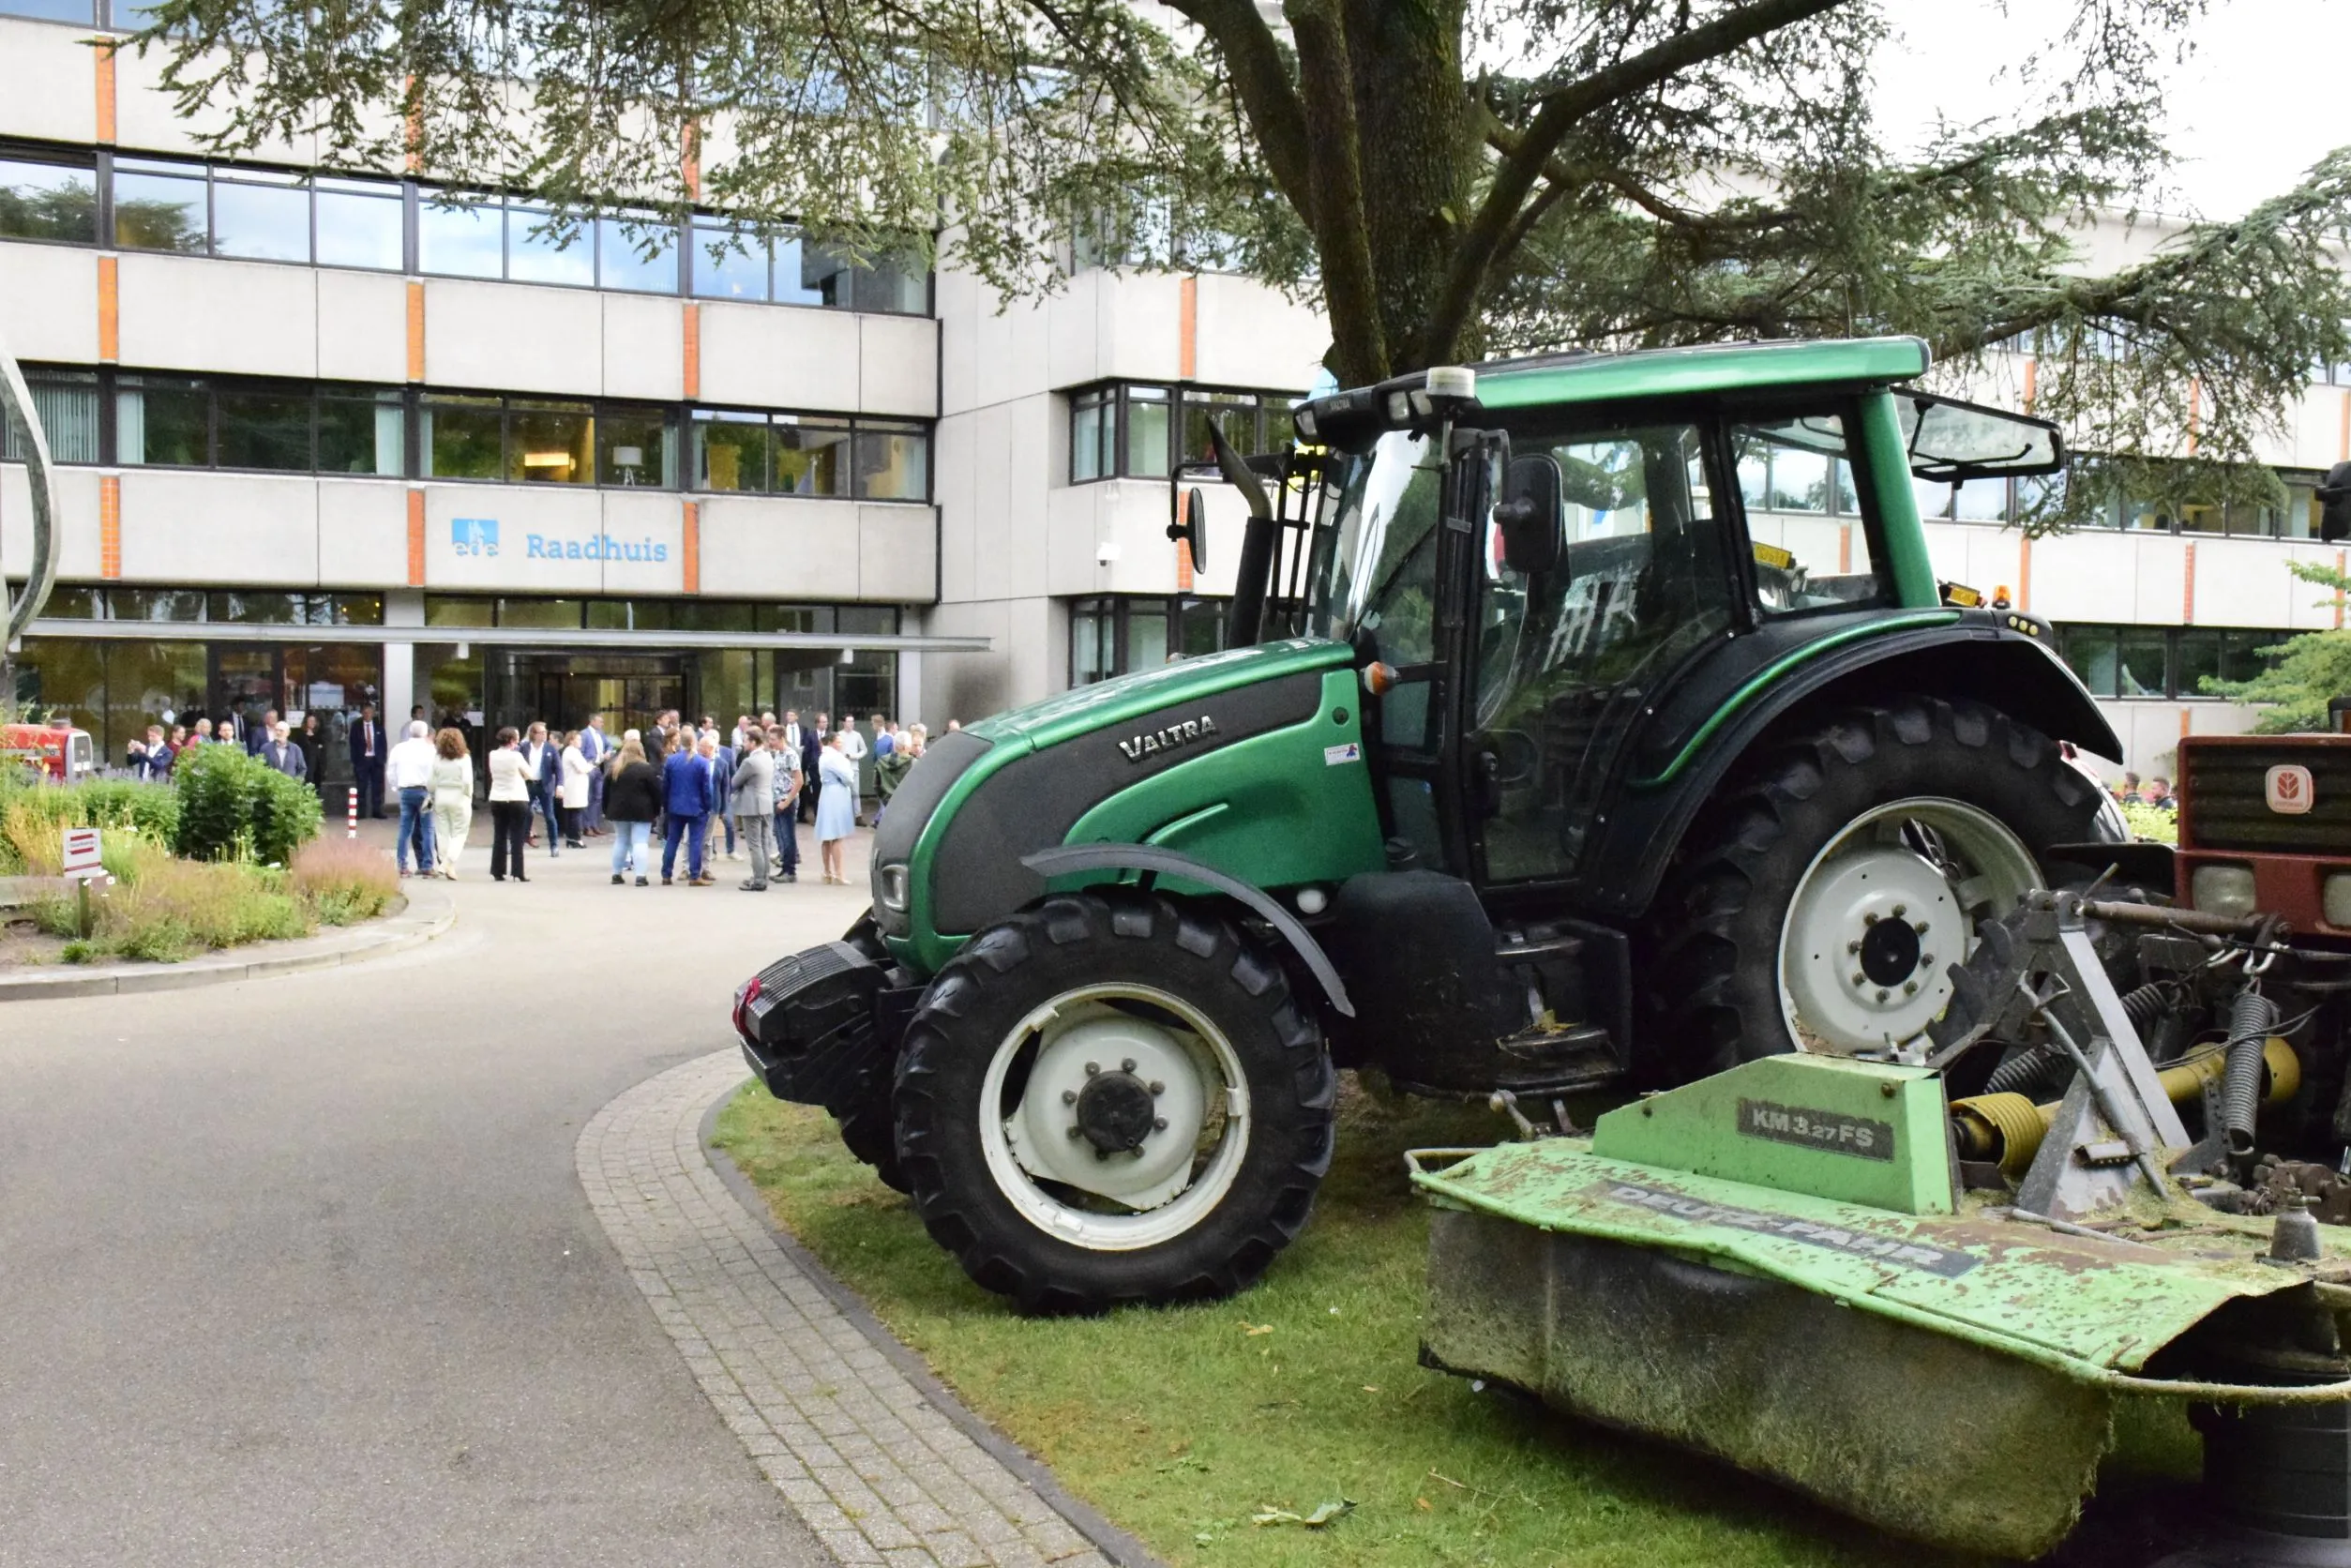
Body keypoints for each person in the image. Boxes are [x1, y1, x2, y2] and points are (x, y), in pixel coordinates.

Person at [660, 730, 717, 886]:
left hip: (675, 806)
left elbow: (665, 786)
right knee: (696, 841)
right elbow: (707, 788)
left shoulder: (671, 761)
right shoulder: (702, 762)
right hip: (696, 807)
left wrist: (666, 805)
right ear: (694, 743)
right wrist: (708, 805)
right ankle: (694, 875)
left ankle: (666, 874)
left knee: (672, 840)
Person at [603, 738, 660, 885]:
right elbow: (656, 792)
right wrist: (657, 809)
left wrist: (606, 810)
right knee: (640, 842)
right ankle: (640, 876)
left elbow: (605, 793)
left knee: (621, 840)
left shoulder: (614, 769)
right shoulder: (646, 769)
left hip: (618, 810)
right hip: (642, 810)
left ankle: (616, 874)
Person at [385, 719, 439, 877]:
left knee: (405, 829)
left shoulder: (399, 749)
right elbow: (437, 772)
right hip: (426, 793)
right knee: (428, 828)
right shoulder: (431, 750)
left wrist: (396, 787)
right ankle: (427, 866)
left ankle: (402, 865)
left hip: (406, 792)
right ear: (425, 733)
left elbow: (391, 771)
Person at [731, 730, 777, 890]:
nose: (744, 744)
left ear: (753, 742)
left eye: (745, 741)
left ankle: (758, 880)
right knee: (765, 842)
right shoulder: (767, 757)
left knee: (754, 844)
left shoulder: (749, 762)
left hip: (752, 805)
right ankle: (763, 875)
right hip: (766, 803)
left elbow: (735, 782)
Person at [486, 727, 532, 882]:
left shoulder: (492, 755)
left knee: (499, 835)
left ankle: (497, 870)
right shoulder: (516, 756)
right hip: (516, 796)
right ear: (512, 741)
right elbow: (530, 774)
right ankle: (518, 871)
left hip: (497, 797)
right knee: (517, 836)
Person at [429, 727, 473, 878]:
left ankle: (448, 865)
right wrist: (468, 795)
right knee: (459, 833)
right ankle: (447, 863)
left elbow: (430, 783)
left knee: (442, 833)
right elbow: (467, 782)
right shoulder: (465, 759)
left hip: (441, 796)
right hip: (459, 797)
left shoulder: (437, 759)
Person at [816, 731, 858, 884]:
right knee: (837, 835)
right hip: (837, 794)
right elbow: (847, 777)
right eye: (839, 741)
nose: (841, 744)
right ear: (832, 742)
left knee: (827, 836)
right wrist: (850, 777)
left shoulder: (824, 756)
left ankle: (827, 872)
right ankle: (839, 874)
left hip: (827, 792)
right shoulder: (834, 757)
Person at [519, 722, 561, 855]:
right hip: (529, 784)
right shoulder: (524, 748)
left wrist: (560, 785)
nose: (545, 735)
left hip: (545, 785)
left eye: (545, 732)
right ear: (533, 734)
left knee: (549, 816)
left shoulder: (550, 748)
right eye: (541, 732)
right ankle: (518, 843)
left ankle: (554, 846)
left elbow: (558, 768)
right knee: (523, 814)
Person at [767, 723, 802, 884]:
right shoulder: (778, 754)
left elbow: (799, 780)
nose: (770, 742)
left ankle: (790, 870)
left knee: (788, 836)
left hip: (785, 801)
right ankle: (784, 868)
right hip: (777, 799)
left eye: (773, 739)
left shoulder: (790, 754)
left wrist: (787, 801)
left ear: (782, 738)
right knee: (781, 836)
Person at [350, 703, 386, 818]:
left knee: (377, 787)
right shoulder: (356, 726)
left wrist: (383, 758)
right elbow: (353, 744)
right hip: (362, 761)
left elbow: (383, 744)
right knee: (361, 787)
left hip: (376, 760)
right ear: (362, 713)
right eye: (365, 713)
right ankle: (361, 812)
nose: (367, 715)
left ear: (373, 713)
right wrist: (355, 761)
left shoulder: (378, 726)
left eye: (369, 712)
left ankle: (377, 811)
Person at [558, 729, 592, 848]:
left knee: (572, 813)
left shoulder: (572, 751)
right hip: (574, 786)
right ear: (571, 740)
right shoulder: (572, 752)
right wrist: (590, 766)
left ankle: (571, 838)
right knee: (576, 813)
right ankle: (576, 838)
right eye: (578, 739)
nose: (580, 742)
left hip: (574, 785)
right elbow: (581, 768)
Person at [580, 714, 608, 837]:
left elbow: (609, 745)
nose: (602, 724)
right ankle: (587, 826)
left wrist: (608, 752)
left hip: (598, 767)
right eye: (600, 721)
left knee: (598, 797)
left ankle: (594, 824)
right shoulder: (584, 734)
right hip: (589, 767)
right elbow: (580, 751)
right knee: (588, 797)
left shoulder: (600, 733)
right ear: (592, 721)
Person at [799, 713, 824, 823]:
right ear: (817, 723)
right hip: (814, 768)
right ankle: (818, 817)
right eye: (823, 722)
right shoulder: (811, 735)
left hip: (827, 769)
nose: (825, 724)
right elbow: (807, 752)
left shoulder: (830, 735)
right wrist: (808, 766)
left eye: (826, 722)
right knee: (816, 793)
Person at [293, 712, 324, 795]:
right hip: (305, 762)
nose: (312, 723)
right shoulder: (300, 734)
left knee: (316, 786)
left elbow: (323, 749)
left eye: (314, 721)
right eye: (310, 721)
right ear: (306, 722)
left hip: (317, 765)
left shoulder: (319, 735)